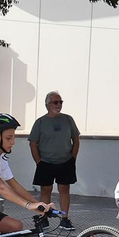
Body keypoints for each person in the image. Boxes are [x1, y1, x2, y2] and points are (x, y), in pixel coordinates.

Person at [28, 92, 81, 228]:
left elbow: (75, 139)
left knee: (64, 188)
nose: (59, 105)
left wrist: (73, 158)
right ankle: (43, 217)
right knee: (46, 189)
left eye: (60, 102)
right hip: (45, 162)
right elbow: (33, 143)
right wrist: (38, 161)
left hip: (65, 161)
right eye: (55, 102)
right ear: (47, 104)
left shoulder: (68, 119)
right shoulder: (40, 122)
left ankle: (65, 218)